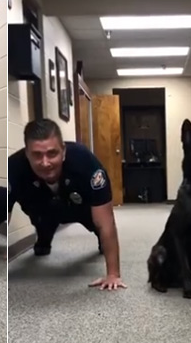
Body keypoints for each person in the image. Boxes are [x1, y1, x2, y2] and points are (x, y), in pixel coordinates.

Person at [8, 118, 126, 291]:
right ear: (26, 154)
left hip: (80, 208)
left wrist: (113, 275)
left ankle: (101, 243)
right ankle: (43, 238)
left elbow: (106, 222)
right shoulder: (14, 167)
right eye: (37, 155)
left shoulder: (85, 162)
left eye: (52, 153)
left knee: (101, 231)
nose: (45, 163)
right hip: (42, 209)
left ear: (63, 151)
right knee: (41, 243)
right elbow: (3, 214)